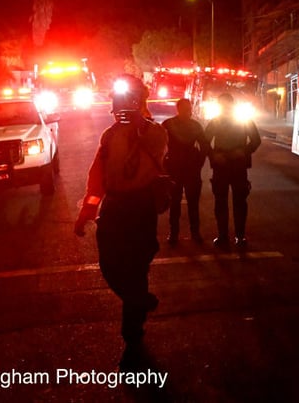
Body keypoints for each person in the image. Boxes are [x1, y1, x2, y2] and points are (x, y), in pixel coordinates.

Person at [74, 74, 169, 370]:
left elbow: (155, 148)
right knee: (109, 266)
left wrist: (137, 115)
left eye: (128, 101)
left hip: (140, 208)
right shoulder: (109, 136)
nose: (120, 107)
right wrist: (85, 214)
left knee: (136, 270)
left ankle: (132, 339)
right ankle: (138, 300)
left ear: (139, 102)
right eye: (119, 102)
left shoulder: (154, 132)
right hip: (114, 208)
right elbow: (96, 180)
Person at [203, 92, 261, 249]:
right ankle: (224, 236)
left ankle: (239, 236)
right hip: (223, 166)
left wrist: (243, 151)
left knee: (239, 202)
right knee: (221, 202)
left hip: (237, 165)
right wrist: (214, 156)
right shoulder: (216, 121)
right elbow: (205, 142)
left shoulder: (242, 121)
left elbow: (256, 140)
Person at [162, 97, 208, 244]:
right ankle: (188, 234)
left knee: (181, 202)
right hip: (184, 167)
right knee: (183, 202)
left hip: (180, 167)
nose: (187, 111)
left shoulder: (169, 124)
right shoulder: (193, 125)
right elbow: (204, 146)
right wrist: (199, 162)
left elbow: (204, 146)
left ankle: (178, 234)